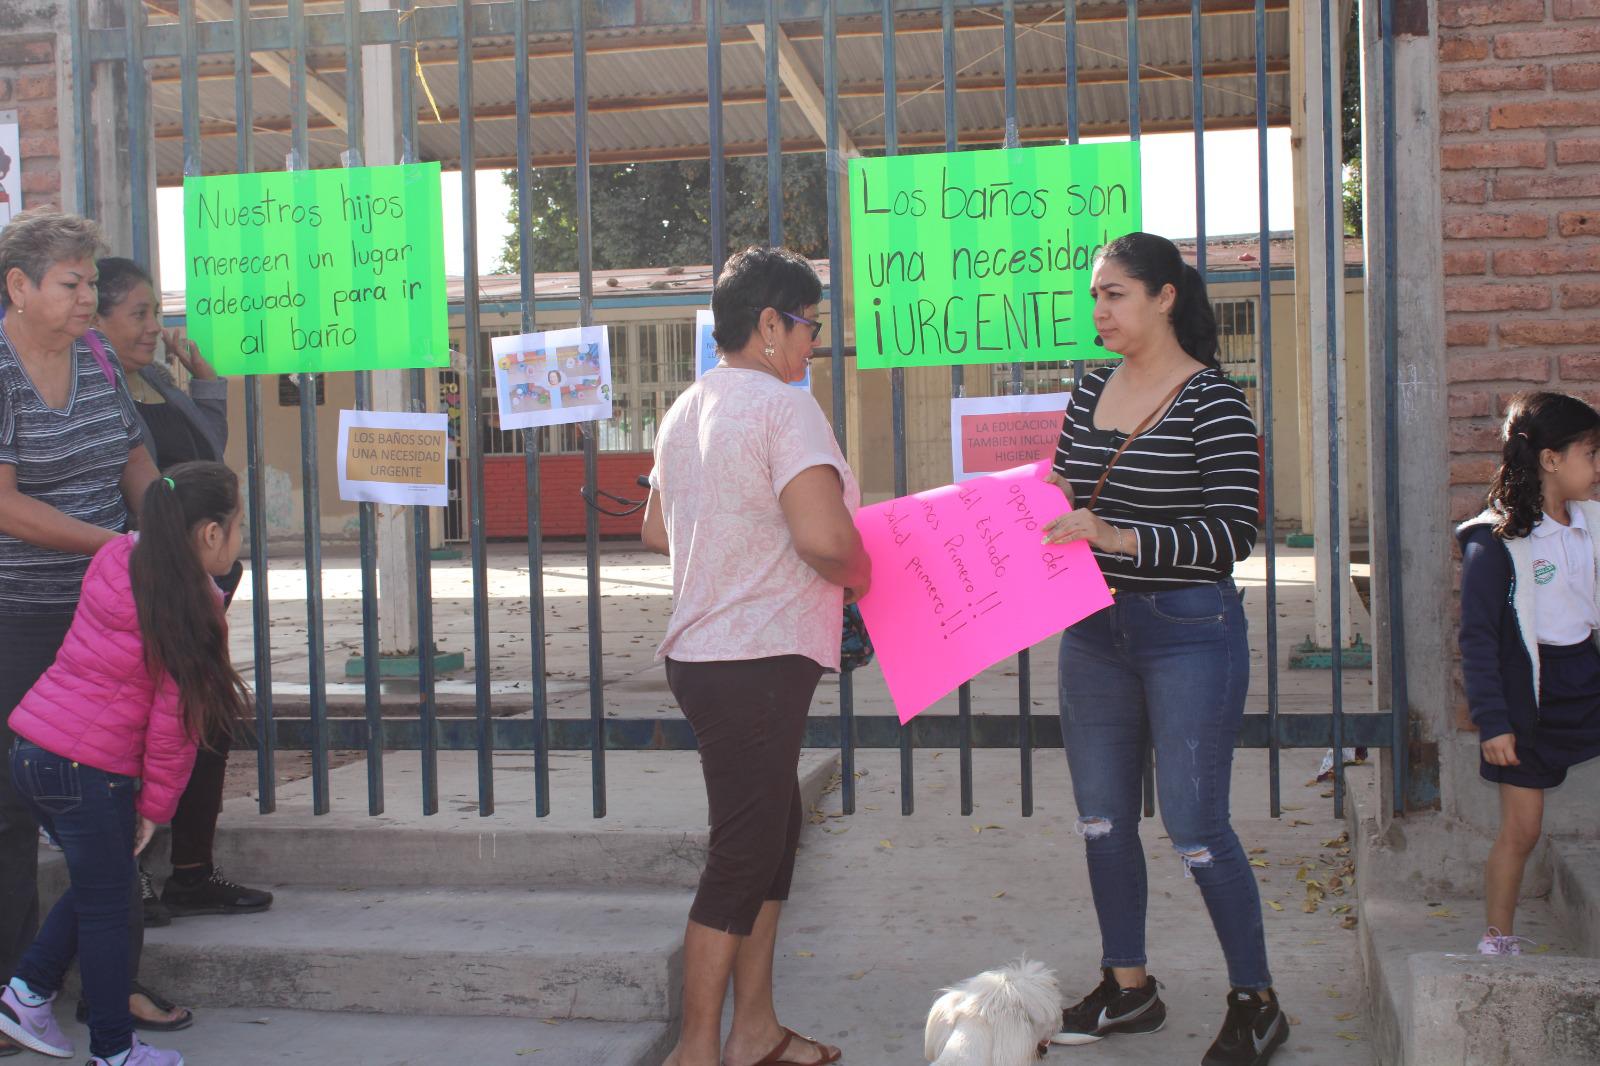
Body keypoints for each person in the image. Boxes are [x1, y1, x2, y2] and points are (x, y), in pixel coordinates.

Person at [1040, 232, 1284, 1066]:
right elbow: (1068, 485)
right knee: (1102, 820)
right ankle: (1129, 986)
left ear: (1165, 296)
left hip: (1188, 632)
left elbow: (1233, 532)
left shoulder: (1213, 400)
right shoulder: (1088, 389)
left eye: (1114, 294)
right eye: (1095, 295)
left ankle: (1255, 1000)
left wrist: (1117, 535)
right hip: (1093, 631)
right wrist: (1044, 501)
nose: (1099, 310)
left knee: (1194, 822)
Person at [640, 245, 869, 1066]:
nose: (814, 344)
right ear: (770, 323)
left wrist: (734, 548)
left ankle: (756, 1029)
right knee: (743, 855)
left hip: (711, 654)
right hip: (757, 659)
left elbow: (656, 530)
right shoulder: (784, 408)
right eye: (809, 326)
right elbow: (825, 539)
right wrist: (865, 575)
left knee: (770, 837)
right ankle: (697, 1049)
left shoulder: (686, 407)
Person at [0, 461, 248, 1066]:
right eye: (239, 527)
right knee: (110, 907)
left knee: (100, 882)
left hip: (33, 750)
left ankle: (27, 995)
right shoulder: (196, 606)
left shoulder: (115, 559)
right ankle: (114, 1051)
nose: (240, 540)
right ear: (210, 533)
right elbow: (175, 723)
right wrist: (155, 808)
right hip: (89, 770)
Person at [0, 212, 159, 1059]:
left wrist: (163, 533)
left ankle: (110, 989)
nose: (88, 298)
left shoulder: (95, 356)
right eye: (71, 284)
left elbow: (132, 457)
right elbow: (4, 504)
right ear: (19, 287)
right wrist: (115, 548)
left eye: (92, 282)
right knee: (10, 812)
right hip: (19, 617)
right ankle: (11, 988)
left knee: (114, 801)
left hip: (104, 612)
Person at [95, 256, 272, 926]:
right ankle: (131, 875)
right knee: (135, 731)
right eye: (138, 313)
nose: (154, 326)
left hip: (197, 581)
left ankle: (193, 873)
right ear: (98, 320)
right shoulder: (94, 390)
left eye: (156, 312)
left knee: (207, 715)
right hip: (139, 583)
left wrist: (205, 383)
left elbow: (206, 456)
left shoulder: (157, 382)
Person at [1458, 392, 1600, 956]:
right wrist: (1493, 722)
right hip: (1532, 703)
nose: (1598, 466)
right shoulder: (1497, 542)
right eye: (1591, 453)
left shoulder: (1592, 524)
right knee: (1522, 832)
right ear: (1550, 459)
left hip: (1587, 682)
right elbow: (1478, 638)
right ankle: (1497, 940)